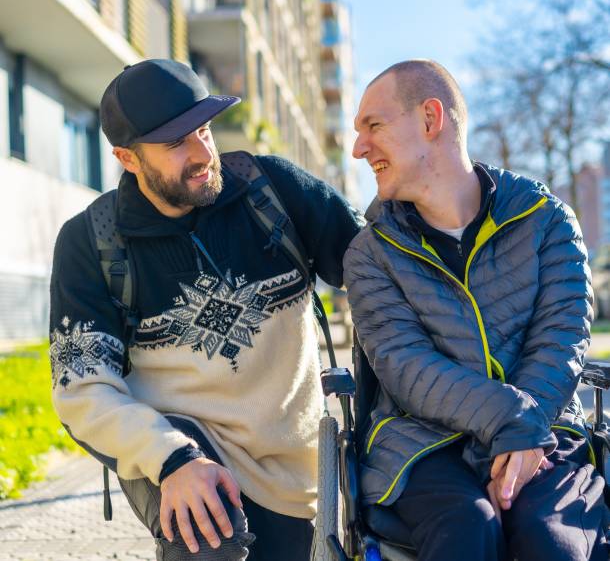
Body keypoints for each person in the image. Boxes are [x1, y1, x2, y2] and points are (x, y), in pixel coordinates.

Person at [49, 59, 362, 561]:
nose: (201, 153)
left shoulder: (273, 191)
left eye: (203, 130)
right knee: (202, 536)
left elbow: (382, 274)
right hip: (178, 450)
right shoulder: (91, 242)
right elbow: (81, 391)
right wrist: (170, 458)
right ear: (127, 158)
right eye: (176, 143)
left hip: (296, 465)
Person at [343, 59, 607, 561]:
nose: (358, 148)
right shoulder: (370, 253)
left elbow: (563, 336)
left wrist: (528, 433)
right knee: (468, 530)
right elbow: (406, 367)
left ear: (430, 119)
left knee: (552, 543)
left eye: (373, 126)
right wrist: (513, 420)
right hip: (421, 446)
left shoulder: (547, 220)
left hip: (548, 431)